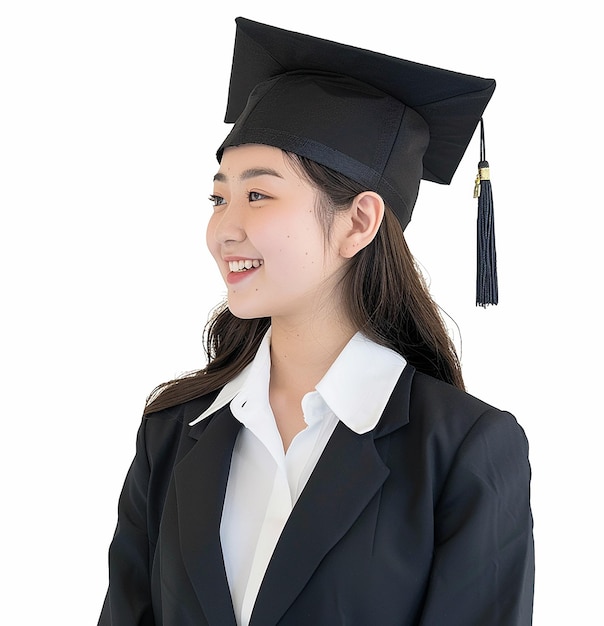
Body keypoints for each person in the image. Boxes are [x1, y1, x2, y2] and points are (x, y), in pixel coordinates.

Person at [98, 17, 534, 626]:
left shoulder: (462, 453)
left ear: (358, 222)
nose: (225, 228)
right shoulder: (171, 434)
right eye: (218, 197)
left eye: (259, 195)